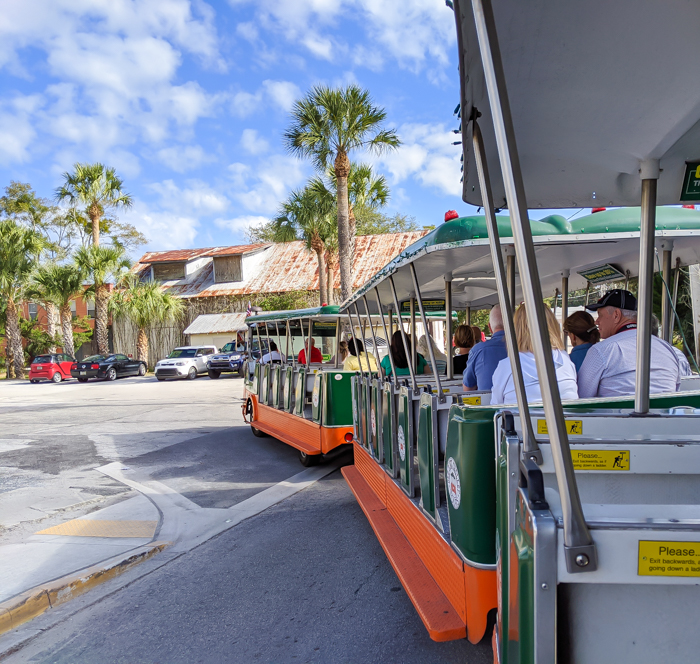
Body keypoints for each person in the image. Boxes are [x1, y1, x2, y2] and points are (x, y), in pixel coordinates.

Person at [578, 289, 681, 398]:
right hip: (666, 413)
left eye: (600, 315)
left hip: (615, 414)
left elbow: (582, 398)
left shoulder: (602, 351)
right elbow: (676, 390)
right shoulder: (667, 349)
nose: (596, 321)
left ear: (616, 315)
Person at [491, 304, 578, 405]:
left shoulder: (507, 366)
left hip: (521, 420)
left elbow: (496, 407)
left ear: (516, 329)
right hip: (566, 420)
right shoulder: (565, 360)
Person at [463, 305, 508, 391]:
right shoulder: (525, 348)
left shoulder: (478, 350)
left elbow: (468, 389)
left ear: (490, 327)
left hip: (487, 403)